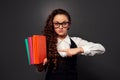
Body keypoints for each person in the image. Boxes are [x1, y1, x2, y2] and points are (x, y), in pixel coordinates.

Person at [40, 8, 105, 80]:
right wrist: (40, 65)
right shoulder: (46, 42)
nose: (60, 27)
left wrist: (79, 49)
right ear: (52, 25)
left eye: (64, 23)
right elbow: (40, 69)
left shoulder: (76, 41)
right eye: (57, 24)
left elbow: (101, 48)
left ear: (69, 25)